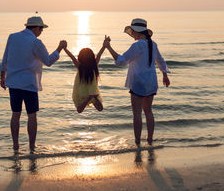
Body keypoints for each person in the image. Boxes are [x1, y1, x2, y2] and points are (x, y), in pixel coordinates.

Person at [0, 16, 67, 151]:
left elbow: (5, 58)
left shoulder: (12, 37)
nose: (41, 32)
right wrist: (59, 48)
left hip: (13, 82)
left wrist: (2, 77)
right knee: (32, 115)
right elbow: (48, 61)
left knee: (15, 114)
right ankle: (31, 146)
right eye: (41, 29)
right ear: (36, 27)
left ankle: (15, 145)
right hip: (29, 83)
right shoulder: (35, 42)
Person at [104, 18, 170, 146]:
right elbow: (160, 61)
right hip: (151, 82)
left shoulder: (137, 45)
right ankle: (150, 139)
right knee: (148, 111)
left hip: (139, 82)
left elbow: (122, 61)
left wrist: (108, 47)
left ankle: (138, 142)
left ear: (136, 32)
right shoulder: (153, 44)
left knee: (137, 114)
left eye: (132, 32)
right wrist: (165, 75)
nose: (131, 34)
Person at [63, 39, 107, 113]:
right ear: (92, 57)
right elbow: (99, 55)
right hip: (92, 90)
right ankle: (93, 98)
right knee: (100, 108)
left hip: (81, 91)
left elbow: (72, 57)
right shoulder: (94, 65)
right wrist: (104, 46)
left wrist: (64, 48)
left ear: (80, 57)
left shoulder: (80, 67)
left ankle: (88, 98)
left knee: (79, 110)